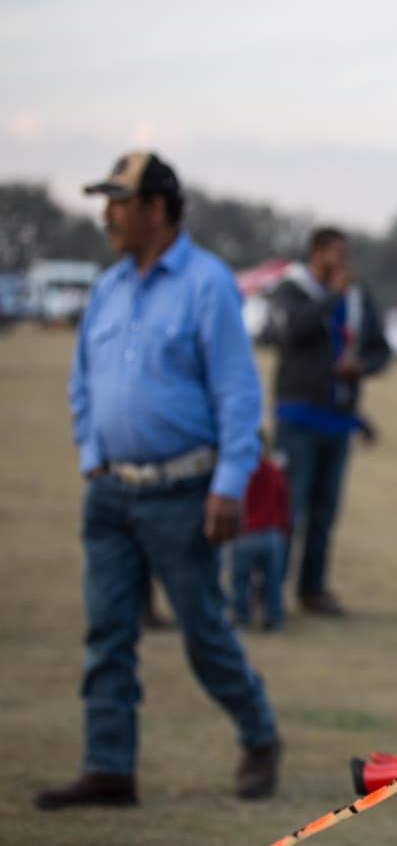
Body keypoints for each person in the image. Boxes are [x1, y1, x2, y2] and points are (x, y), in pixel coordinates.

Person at [39, 152, 281, 810]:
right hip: (111, 491)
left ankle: (260, 733)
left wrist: (230, 484)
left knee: (204, 632)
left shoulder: (207, 283)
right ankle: (109, 766)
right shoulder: (110, 286)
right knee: (107, 633)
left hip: (184, 493)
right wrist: (91, 450)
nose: (107, 213)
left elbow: (236, 390)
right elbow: (83, 379)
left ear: (157, 208)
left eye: (119, 200)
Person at [269, 228, 389, 616]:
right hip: (298, 416)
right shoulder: (292, 289)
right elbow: (290, 332)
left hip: (338, 421)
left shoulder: (358, 295)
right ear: (315, 253)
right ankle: (269, 591)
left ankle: (312, 590)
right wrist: (333, 294)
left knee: (324, 512)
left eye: (347, 254)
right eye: (336, 253)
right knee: (289, 509)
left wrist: (363, 367)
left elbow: (380, 349)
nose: (344, 261)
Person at [229, 439, 291, 629]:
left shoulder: (236, 473)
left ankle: (242, 616)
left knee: (241, 580)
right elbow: (284, 502)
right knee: (273, 581)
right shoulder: (274, 471)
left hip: (244, 533)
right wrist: (286, 528)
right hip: (272, 535)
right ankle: (274, 617)